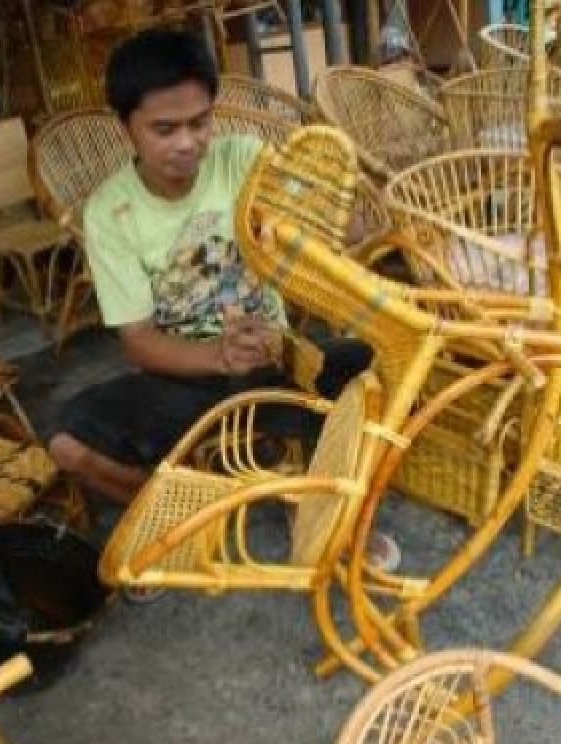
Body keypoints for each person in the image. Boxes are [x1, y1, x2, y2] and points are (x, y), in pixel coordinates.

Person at [46, 27, 398, 572]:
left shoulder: (243, 159)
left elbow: (330, 224)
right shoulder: (109, 212)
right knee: (67, 443)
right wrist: (217, 357)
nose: (186, 143)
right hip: (183, 377)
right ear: (126, 128)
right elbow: (138, 342)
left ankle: (312, 501)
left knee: (391, 370)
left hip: (276, 359)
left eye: (199, 122)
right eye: (164, 129)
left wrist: (336, 211)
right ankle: (180, 512)